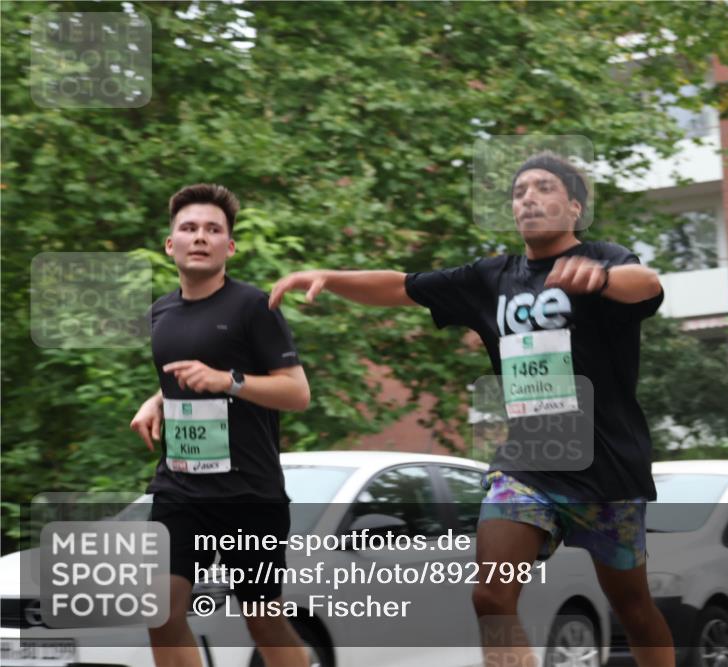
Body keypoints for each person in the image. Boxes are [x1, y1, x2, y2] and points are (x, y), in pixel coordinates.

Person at [269, 153, 675, 667]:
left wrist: (597, 278)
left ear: (574, 206)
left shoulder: (605, 258)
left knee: (633, 606)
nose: (528, 197)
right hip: (529, 467)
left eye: (544, 188)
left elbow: (648, 284)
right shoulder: (493, 278)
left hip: (609, 469)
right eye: (519, 190)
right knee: (490, 596)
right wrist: (330, 275)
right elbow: (402, 285)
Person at [129, 184, 311, 667]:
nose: (200, 237)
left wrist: (227, 381)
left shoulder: (253, 306)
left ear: (229, 246)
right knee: (160, 610)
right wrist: (157, 403)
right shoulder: (161, 313)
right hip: (181, 488)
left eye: (213, 229)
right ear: (172, 244)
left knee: (263, 619)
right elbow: (186, 379)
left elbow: (296, 392)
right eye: (189, 228)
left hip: (248, 492)